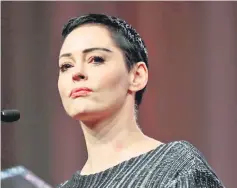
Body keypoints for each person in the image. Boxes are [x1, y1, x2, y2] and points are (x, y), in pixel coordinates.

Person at [56, 14, 224, 188]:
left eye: (96, 59)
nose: (77, 73)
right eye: (66, 66)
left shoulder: (176, 167)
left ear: (137, 76)